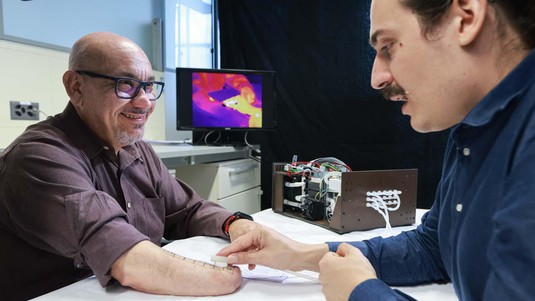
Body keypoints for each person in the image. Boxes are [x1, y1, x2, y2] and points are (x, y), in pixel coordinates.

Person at [217, 0, 535, 300]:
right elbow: (433, 248)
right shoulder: (474, 127)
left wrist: (361, 292)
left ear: (465, 18)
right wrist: (298, 255)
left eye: (387, 47)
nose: (376, 79)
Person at [0, 32, 257, 300]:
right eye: (125, 84)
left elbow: (188, 210)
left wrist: (237, 225)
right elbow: (126, 259)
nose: (145, 101)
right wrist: (226, 278)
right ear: (76, 87)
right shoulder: (39, 157)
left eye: (148, 86)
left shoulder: (137, 150)